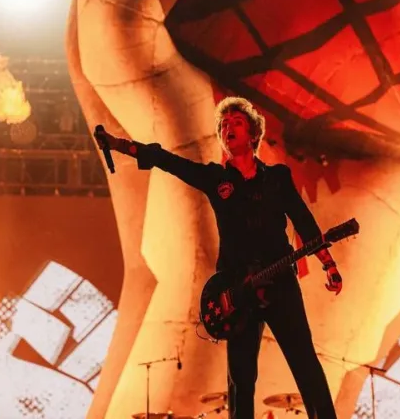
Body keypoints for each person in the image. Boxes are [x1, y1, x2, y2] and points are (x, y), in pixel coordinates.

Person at [97, 96, 341, 419]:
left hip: (280, 283)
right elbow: (169, 162)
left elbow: (304, 220)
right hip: (237, 290)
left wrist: (328, 262)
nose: (229, 128)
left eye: (237, 123)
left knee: (305, 364)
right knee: (240, 379)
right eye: (224, 125)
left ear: (253, 134)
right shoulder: (217, 180)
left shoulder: (278, 178)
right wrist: (120, 145)